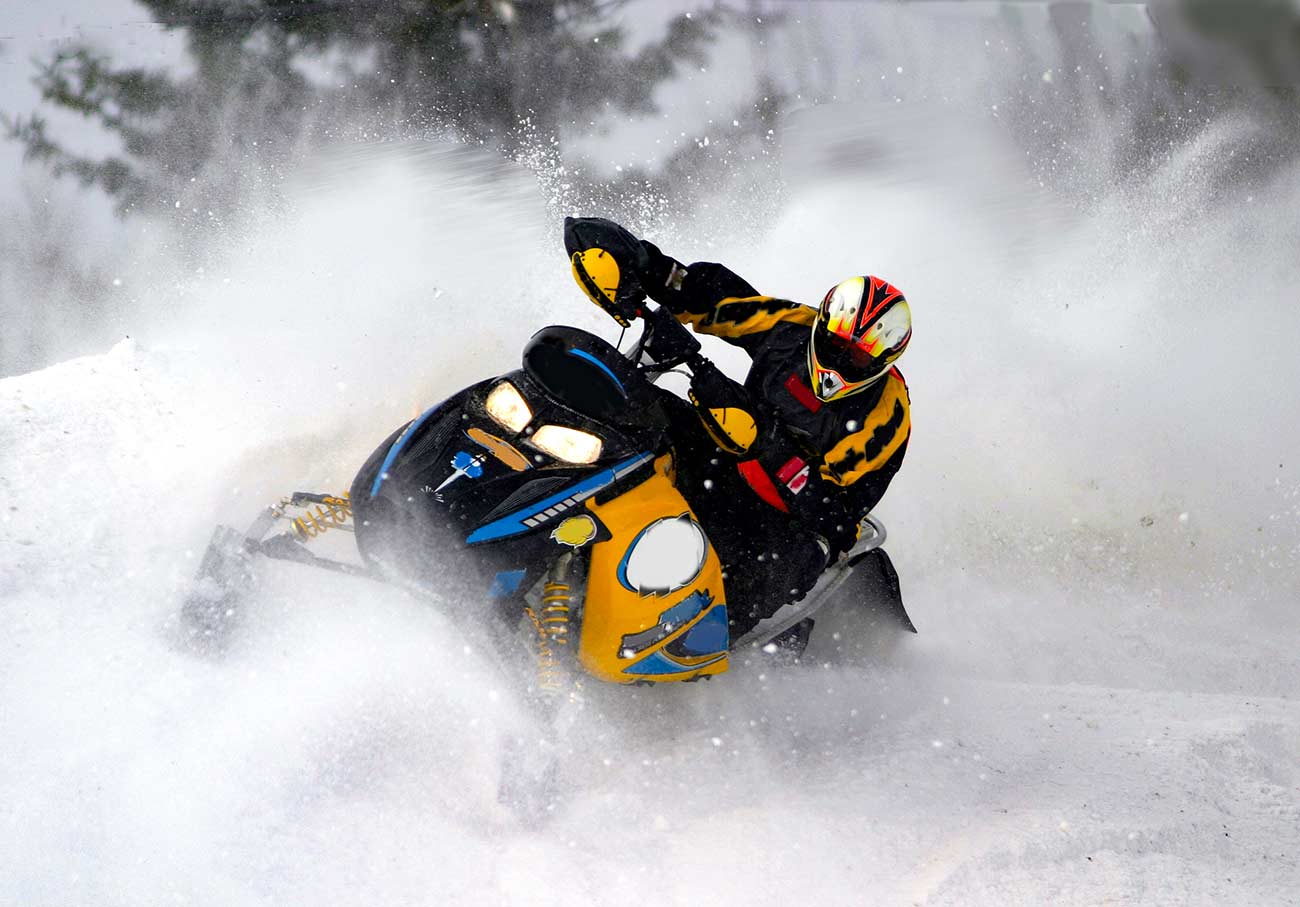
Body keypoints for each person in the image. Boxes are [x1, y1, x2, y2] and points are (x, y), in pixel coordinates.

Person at [564, 217, 912, 640]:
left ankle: (689, 645)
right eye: (834, 345)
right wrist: (643, 265)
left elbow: (833, 511)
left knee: (777, 567)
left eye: (854, 359)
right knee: (638, 415)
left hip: (792, 521)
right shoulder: (792, 328)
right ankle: (559, 508)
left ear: (881, 364)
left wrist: (766, 444)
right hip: (728, 453)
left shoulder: (886, 416)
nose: (838, 360)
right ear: (822, 325)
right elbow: (717, 301)